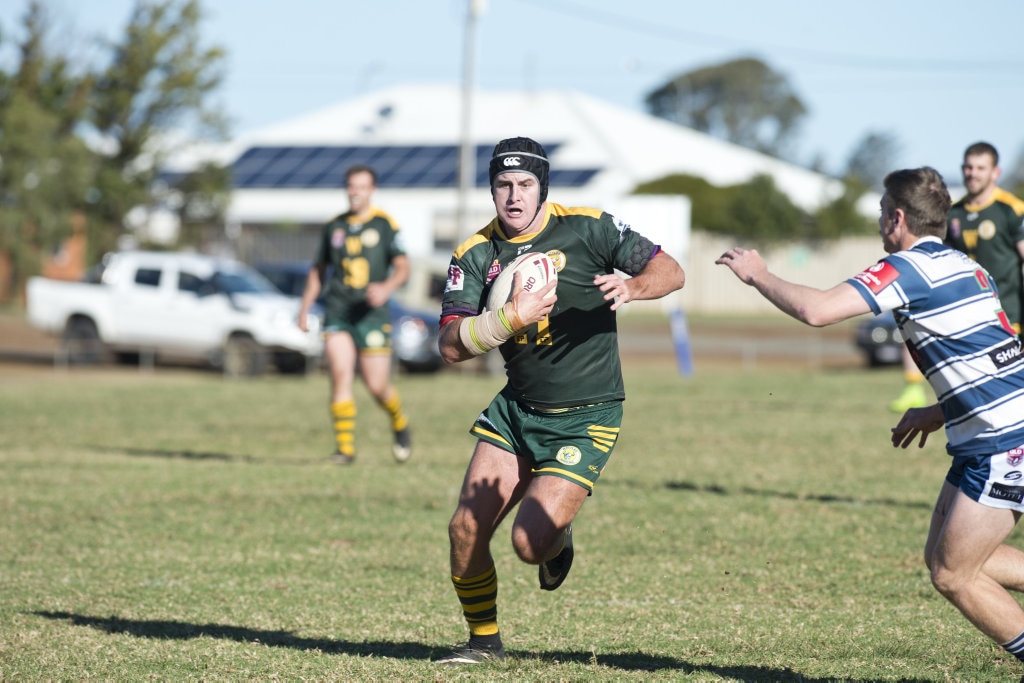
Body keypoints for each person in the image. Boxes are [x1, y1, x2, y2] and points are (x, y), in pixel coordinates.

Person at [716, 166, 1024, 667]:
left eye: (882, 213)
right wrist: (936, 411)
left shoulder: (905, 269)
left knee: (953, 574)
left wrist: (758, 274)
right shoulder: (969, 268)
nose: (881, 223)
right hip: (986, 436)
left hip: (1003, 442)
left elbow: (817, 310)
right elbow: (996, 359)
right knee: (948, 558)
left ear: (897, 219)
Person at [434, 136, 686, 665]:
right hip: (518, 409)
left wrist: (633, 288)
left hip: (586, 416)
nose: (513, 196)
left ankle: (557, 533)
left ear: (542, 187)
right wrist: (508, 319)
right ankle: (484, 644)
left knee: (531, 545)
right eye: (502, 185)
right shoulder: (475, 253)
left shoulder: (589, 226)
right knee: (465, 527)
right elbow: (450, 346)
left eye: (525, 184)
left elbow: (671, 270)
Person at [889, 141, 1024, 413]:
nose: (972, 173)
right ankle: (914, 389)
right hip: (963, 311)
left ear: (995, 172)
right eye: (967, 166)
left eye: (979, 168)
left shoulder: (1011, 209)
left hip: (1007, 313)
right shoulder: (954, 213)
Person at [298, 165, 412, 465]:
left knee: (376, 386)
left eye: (361, 186)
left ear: (371, 190)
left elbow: (403, 267)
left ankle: (399, 421)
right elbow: (318, 270)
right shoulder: (333, 226)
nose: (354, 192)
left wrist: (386, 287)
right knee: (339, 373)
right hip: (338, 310)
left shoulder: (385, 225)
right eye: (350, 186)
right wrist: (305, 307)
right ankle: (345, 450)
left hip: (371, 314)